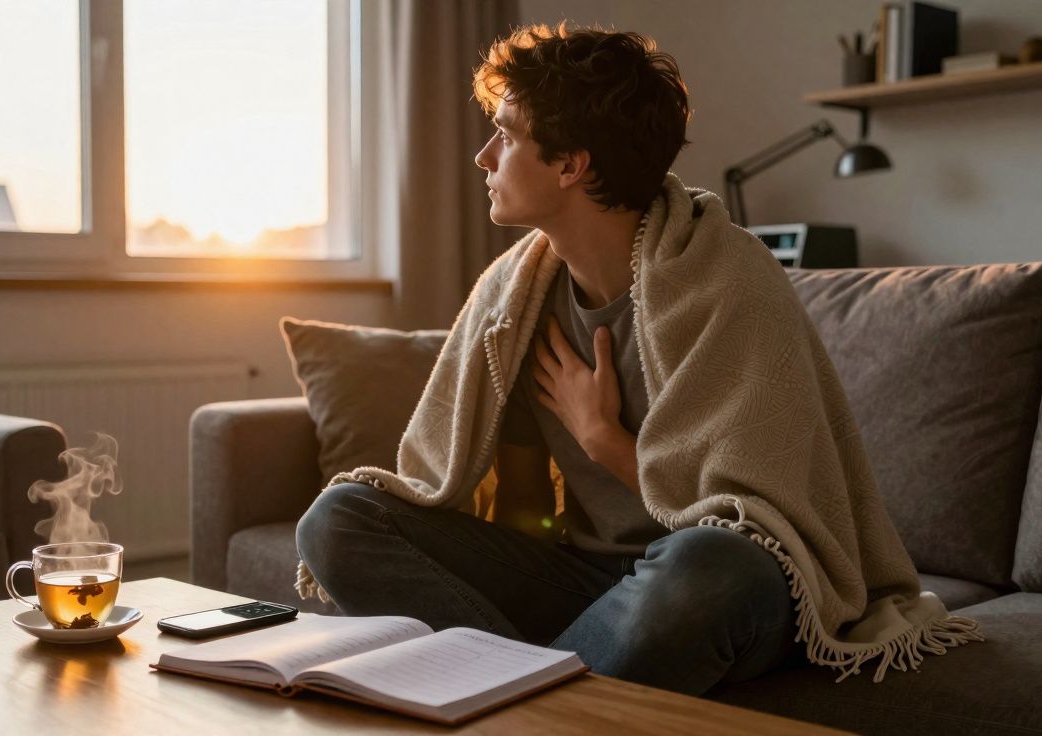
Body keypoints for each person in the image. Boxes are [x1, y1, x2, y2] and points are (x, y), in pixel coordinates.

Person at [295, 24, 979, 696]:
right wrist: (504, 581)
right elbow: (527, 508)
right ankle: (525, 687)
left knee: (711, 567)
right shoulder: (517, 296)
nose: (484, 157)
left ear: (571, 164)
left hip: (725, 579)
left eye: (505, 135)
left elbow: (760, 521)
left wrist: (606, 441)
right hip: (590, 580)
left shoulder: (729, 277)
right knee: (340, 517)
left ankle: (510, 701)